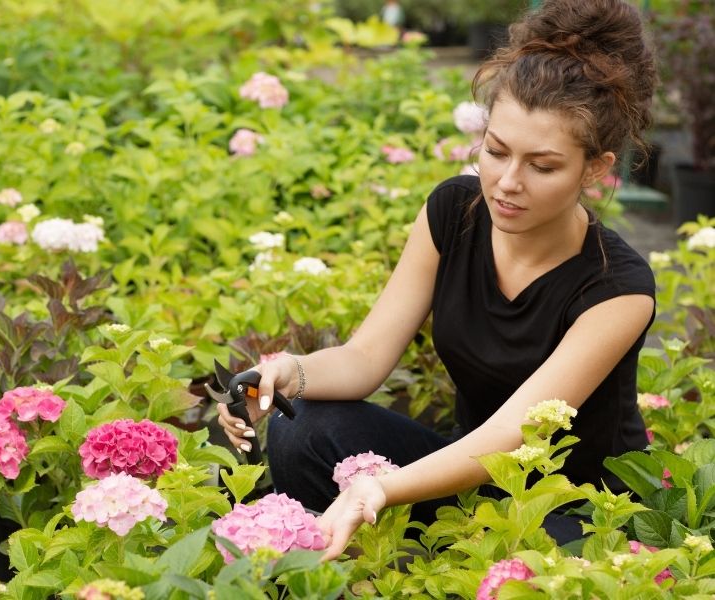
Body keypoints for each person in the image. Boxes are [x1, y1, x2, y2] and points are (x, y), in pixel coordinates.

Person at [217, 0, 658, 561]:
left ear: (596, 168)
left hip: (571, 513)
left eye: (542, 166)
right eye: (496, 152)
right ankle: (330, 570)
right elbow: (364, 359)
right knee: (302, 426)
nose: (506, 182)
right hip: (467, 479)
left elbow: (512, 434)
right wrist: (283, 375)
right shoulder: (454, 211)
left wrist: (377, 488)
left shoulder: (617, 288)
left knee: (533, 569)